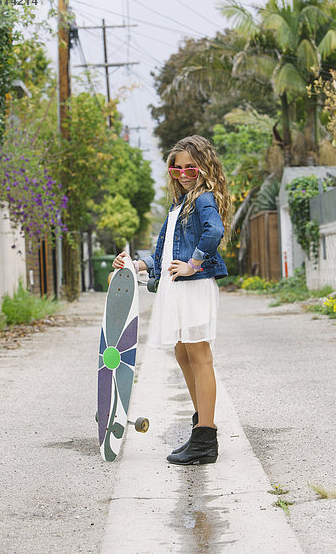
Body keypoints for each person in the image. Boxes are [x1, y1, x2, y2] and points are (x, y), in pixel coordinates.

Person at [112, 135, 231, 465]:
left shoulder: (203, 199)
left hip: (192, 287)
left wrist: (193, 264)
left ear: (203, 168)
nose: (182, 173)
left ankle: (206, 437)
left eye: (190, 167)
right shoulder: (178, 206)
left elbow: (214, 232)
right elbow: (160, 253)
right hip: (176, 287)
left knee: (198, 353)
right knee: (183, 352)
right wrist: (135, 265)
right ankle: (201, 426)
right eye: (176, 168)